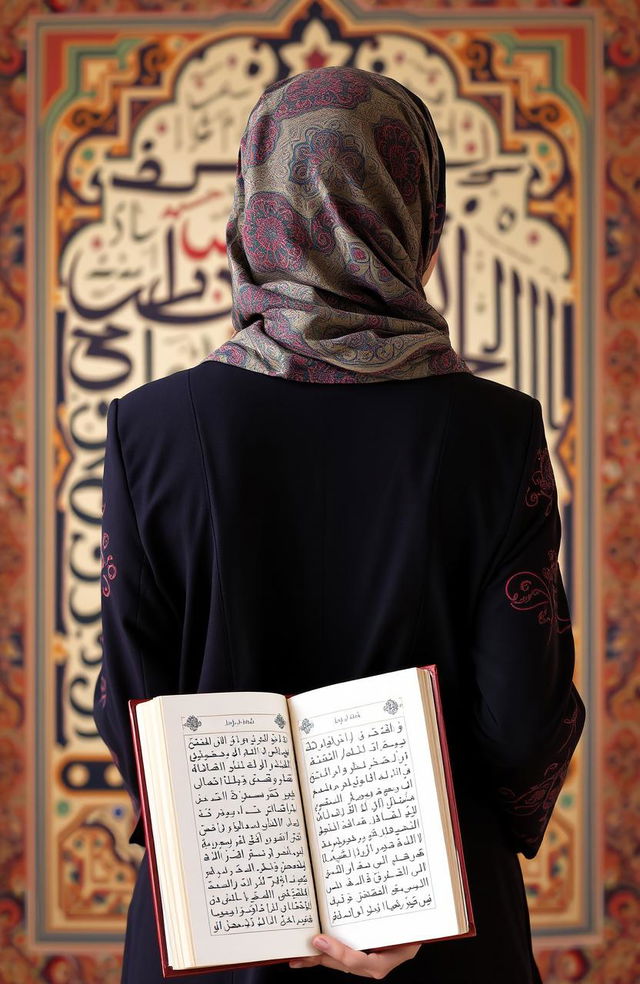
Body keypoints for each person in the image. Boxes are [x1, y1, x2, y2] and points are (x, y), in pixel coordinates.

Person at [94, 66, 585, 983]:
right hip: (444, 942)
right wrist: (405, 884)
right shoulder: (497, 431)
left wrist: (255, 891)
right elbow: (522, 721)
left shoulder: (148, 429)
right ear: (416, 214)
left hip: (215, 943)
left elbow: (133, 707)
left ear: (253, 210)